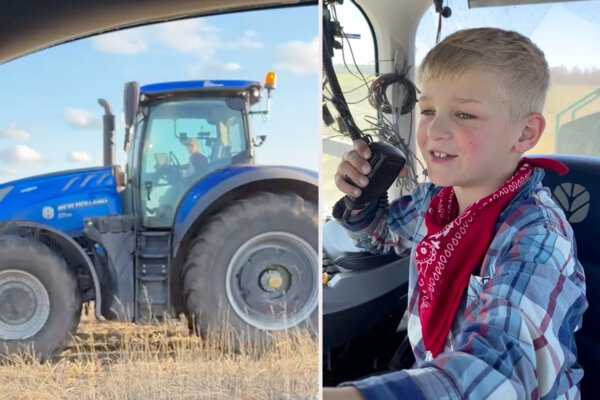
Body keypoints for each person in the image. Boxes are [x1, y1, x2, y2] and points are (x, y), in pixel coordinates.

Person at [325, 28, 587, 399]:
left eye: (464, 114)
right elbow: (379, 236)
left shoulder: (538, 237)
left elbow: (500, 371)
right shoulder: (435, 199)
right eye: (428, 110)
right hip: (434, 369)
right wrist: (362, 199)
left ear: (525, 133)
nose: (435, 130)